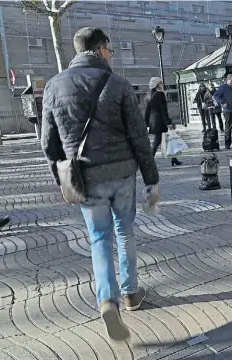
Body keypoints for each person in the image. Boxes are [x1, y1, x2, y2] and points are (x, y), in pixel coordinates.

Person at [40, 27, 160, 341]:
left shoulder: (53, 86)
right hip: (121, 175)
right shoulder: (118, 84)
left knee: (98, 238)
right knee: (125, 231)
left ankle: (108, 300)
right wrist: (152, 180)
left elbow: (48, 143)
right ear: (103, 49)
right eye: (111, 50)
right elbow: (138, 137)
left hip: (84, 176)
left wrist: (62, 179)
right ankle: (132, 293)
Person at [145, 77, 182, 166]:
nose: (162, 85)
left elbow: (147, 110)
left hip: (154, 121)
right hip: (161, 121)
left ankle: (173, 158)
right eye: (161, 83)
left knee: (166, 140)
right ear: (157, 84)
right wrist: (168, 122)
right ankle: (149, 161)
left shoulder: (149, 95)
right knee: (159, 141)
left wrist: (146, 123)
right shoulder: (160, 94)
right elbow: (163, 110)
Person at [213, 73, 232, 149]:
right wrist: (223, 102)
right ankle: (227, 144)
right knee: (228, 127)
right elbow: (215, 96)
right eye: (231, 80)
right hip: (228, 110)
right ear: (227, 80)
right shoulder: (223, 87)